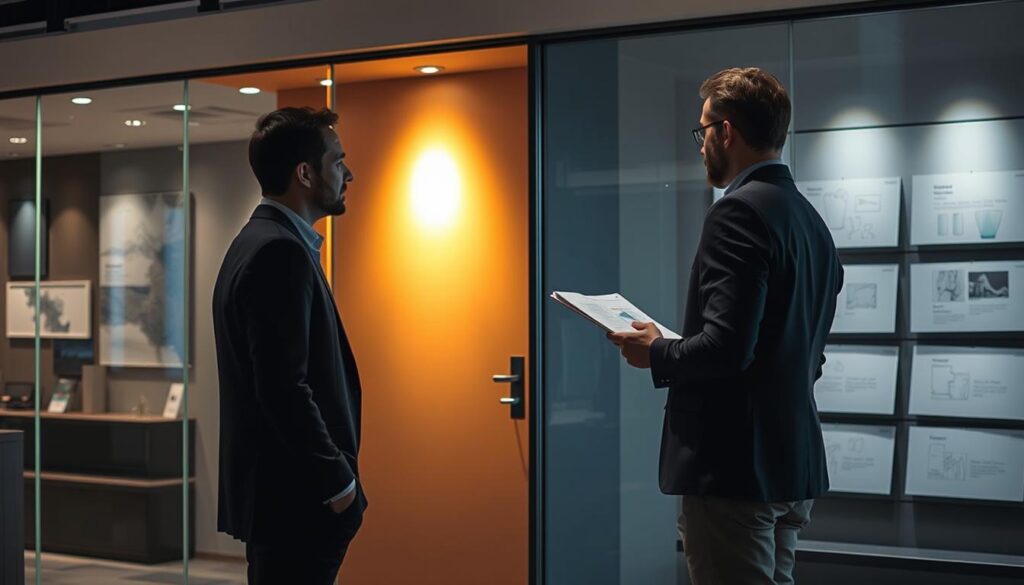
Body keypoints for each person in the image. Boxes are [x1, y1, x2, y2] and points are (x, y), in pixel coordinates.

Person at [608, 68, 844, 585]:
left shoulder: (736, 212)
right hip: (788, 463)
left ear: (726, 132)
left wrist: (658, 351)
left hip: (734, 470)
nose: (701, 145)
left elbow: (727, 348)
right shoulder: (810, 223)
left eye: (702, 131)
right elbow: (805, 354)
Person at [213, 107, 363, 585]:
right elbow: (283, 389)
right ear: (305, 173)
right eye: (337, 162)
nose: (348, 174)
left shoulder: (254, 242)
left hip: (283, 499)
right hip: (297, 500)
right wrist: (338, 484)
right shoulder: (278, 252)